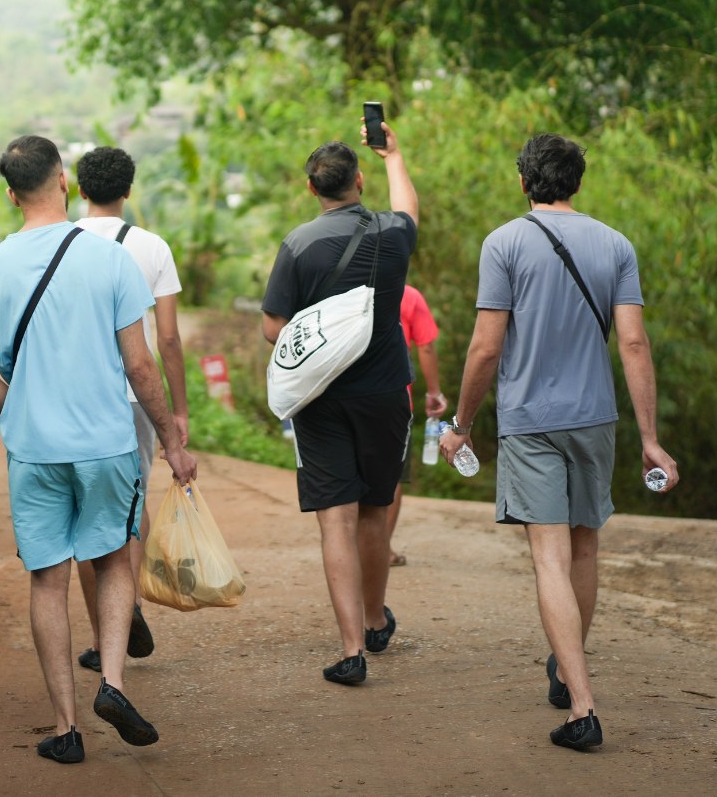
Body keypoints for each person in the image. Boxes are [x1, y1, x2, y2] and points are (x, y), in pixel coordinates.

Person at [0, 135, 197, 765]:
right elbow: (141, 366)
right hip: (105, 444)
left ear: (10, 194)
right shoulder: (108, 260)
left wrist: (29, 411)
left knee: (47, 579)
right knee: (114, 559)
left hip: (34, 450)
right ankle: (112, 682)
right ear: (63, 180)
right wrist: (172, 440)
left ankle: (65, 728)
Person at [442, 133, 679, 751]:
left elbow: (486, 347)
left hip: (530, 422)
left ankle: (582, 707)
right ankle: (566, 661)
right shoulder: (615, 245)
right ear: (577, 181)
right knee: (584, 550)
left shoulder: (506, 243)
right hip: (596, 419)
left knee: (548, 558)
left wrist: (462, 425)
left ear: (524, 182)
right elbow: (633, 344)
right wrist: (650, 438)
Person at [261, 123, 418, 686]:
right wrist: (393, 155)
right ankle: (376, 621)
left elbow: (273, 327)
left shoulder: (299, 244)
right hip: (384, 394)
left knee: (337, 520)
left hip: (322, 401)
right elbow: (408, 206)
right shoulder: (394, 234)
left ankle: (351, 649)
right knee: (375, 512)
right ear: (358, 180)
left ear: (312, 189)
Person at [70, 145, 190, 674]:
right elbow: (167, 338)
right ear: (128, 190)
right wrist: (178, 412)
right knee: (130, 499)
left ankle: (103, 636)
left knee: (83, 512)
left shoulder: (59, 242)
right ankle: (130, 609)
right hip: (132, 398)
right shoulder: (151, 246)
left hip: (73, 395)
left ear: (77, 189)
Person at [386, 285, 447, 566]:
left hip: (345, 397)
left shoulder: (347, 285)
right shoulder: (408, 295)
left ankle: (351, 547)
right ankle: (381, 549)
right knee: (391, 475)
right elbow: (426, 345)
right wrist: (433, 392)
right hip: (394, 396)